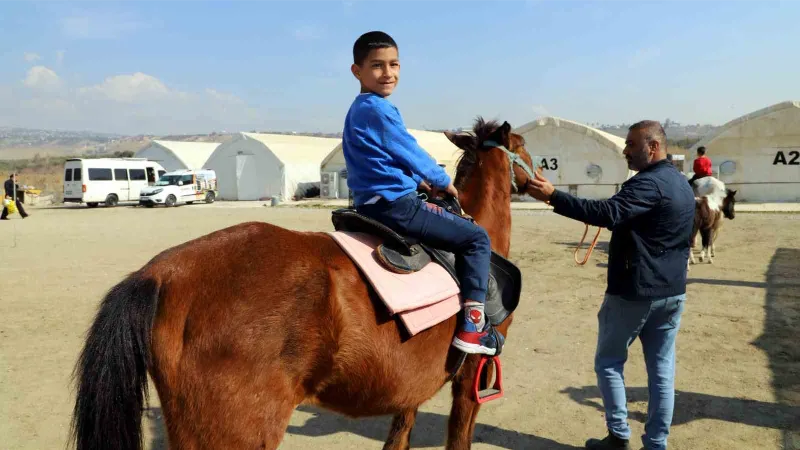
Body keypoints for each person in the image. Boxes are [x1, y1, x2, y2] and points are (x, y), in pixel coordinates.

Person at [526, 121, 695, 450]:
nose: (625, 151)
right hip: (672, 291)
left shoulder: (649, 184)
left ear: (653, 148)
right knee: (662, 371)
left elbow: (606, 212)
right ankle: (656, 444)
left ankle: (618, 437)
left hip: (635, 291)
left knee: (609, 362)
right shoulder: (680, 182)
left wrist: (553, 197)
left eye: (632, 145)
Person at [340, 31, 502, 355]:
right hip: (397, 206)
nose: (388, 73)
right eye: (377, 66)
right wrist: (441, 179)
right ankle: (472, 328)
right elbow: (407, 149)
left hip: (370, 203)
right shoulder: (379, 109)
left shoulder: (359, 109)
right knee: (477, 239)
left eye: (394, 64)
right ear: (356, 71)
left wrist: (417, 180)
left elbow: (385, 158)